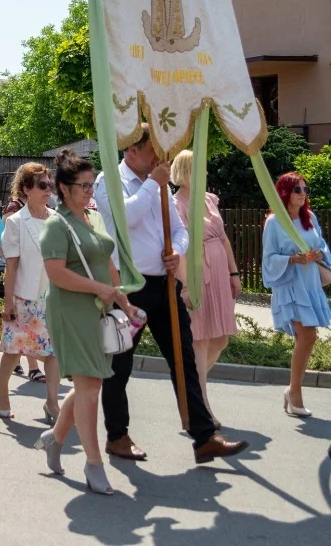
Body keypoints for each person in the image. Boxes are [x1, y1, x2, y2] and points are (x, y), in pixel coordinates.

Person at [94, 124, 248, 464]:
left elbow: (180, 231)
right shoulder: (110, 181)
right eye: (152, 152)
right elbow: (124, 219)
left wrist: (176, 252)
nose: (158, 160)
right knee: (120, 363)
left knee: (184, 359)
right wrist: (154, 183)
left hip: (164, 284)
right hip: (128, 289)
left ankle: (204, 436)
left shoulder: (158, 184)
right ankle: (117, 435)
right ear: (132, 150)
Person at [35, 149, 140, 495]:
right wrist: (98, 288)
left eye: (91, 185)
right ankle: (94, 463)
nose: (89, 191)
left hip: (98, 308)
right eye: (82, 185)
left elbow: (108, 265)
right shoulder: (55, 224)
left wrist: (125, 301)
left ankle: (55, 438)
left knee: (88, 384)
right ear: (63, 188)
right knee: (91, 387)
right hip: (70, 310)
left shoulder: (93, 218)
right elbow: (56, 273)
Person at [171, 150, 239, 428]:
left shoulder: (210, 199)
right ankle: (202, 407)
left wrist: (234, 273)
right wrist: (186, 284)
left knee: (221, 338)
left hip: (220, 275)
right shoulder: (177, 204)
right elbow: (180, 248)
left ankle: (191, 390)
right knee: (199, 341)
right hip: (198, 274)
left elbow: (223, 239)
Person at [262, 173, 331, 417]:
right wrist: (294, 258)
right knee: (308, 336)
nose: (303, 194)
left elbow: (322, 246)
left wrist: (319, 254)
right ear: (285, 193)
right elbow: (268, 259)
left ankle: (292, 390)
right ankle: (295, 393)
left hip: (309, 283)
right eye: (297, 189)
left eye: (305, 189)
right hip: (289, 285)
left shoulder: (309, 218)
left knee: (309, 338)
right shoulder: (274, 222)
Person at [0, 162, 61, 422]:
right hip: (24, 297)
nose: (49, 190)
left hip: (51, 297)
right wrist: (8, 302)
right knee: (14, 349)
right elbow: (11, 266)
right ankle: (2, 391)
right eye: (43, 186)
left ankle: (52, 403)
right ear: (27, 189)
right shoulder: (15, 222)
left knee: (53, 352)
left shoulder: (57, 220)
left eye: (50, 185)